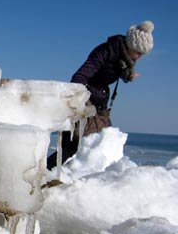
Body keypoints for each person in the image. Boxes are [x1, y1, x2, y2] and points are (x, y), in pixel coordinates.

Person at [47, 20, 154, 169]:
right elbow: (79, 77)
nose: (139, 57)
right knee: (71, 148)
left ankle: (96, 180)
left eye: (142, 54)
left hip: (100, 105)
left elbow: (117, 71)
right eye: (138, 52)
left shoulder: (124, 58)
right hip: (85, 104)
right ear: (130, 44)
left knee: (105, 143)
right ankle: (45, 175)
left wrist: (128, 76)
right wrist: (79, 105)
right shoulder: (106, 51)